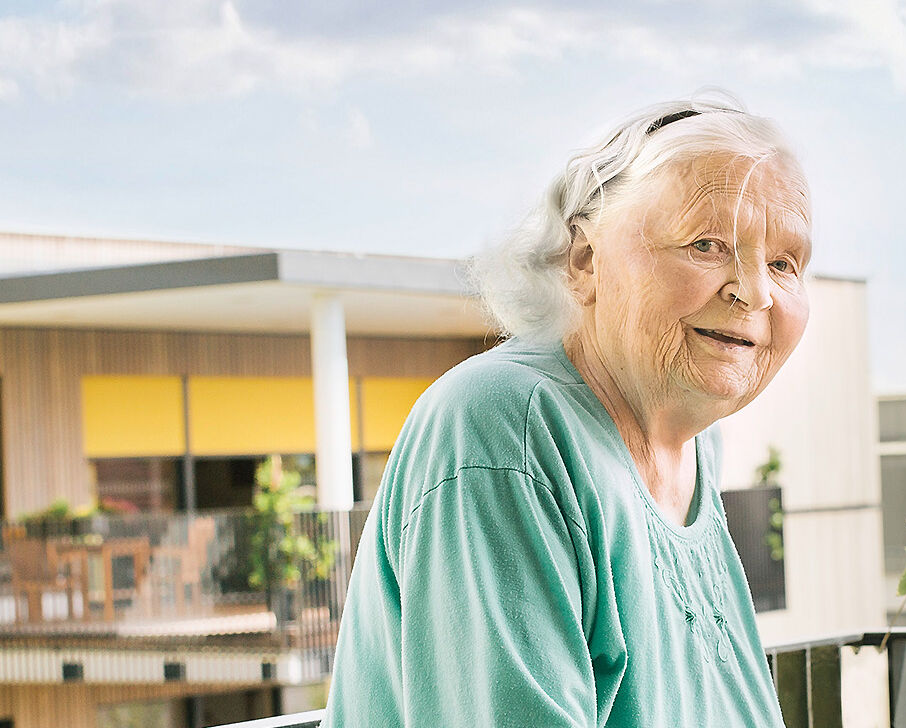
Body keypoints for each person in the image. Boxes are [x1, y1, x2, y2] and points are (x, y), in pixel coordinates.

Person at [323, 94, 810, 727]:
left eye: (783, 261)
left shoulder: (692, 442)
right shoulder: (505, 431)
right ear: (584, 261)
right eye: (707, 244)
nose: (755, 291)